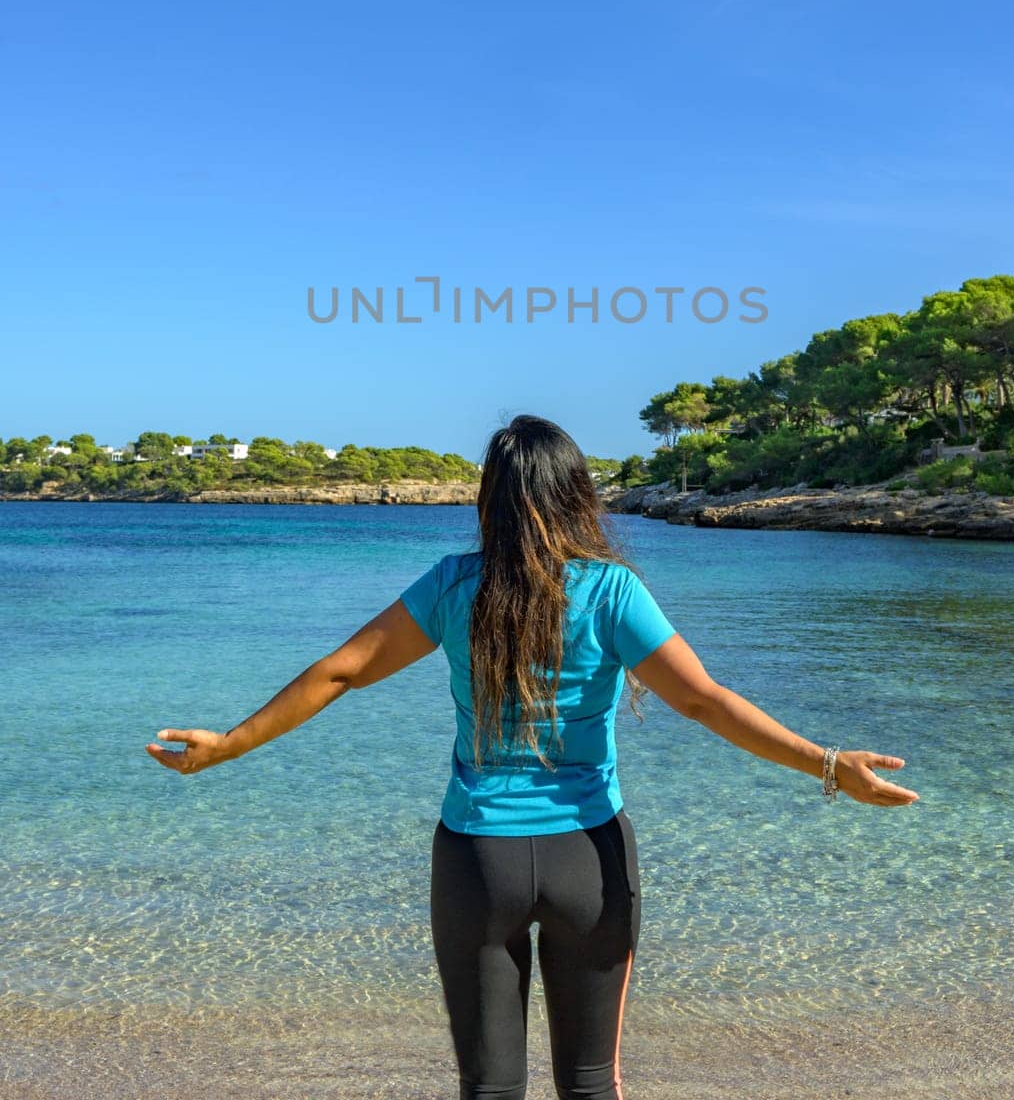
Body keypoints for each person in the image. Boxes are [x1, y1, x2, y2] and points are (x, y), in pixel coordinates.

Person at [146, 413, 919, 1099]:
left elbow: (341, 671)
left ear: (491, 498)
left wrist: (227, 745)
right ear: (576, 494)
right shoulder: (611, 591)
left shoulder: (453, 585)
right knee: (589, 1085)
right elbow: (701, 700)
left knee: (489, 1088)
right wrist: (825, 764)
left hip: (477, 858)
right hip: (589, 854)